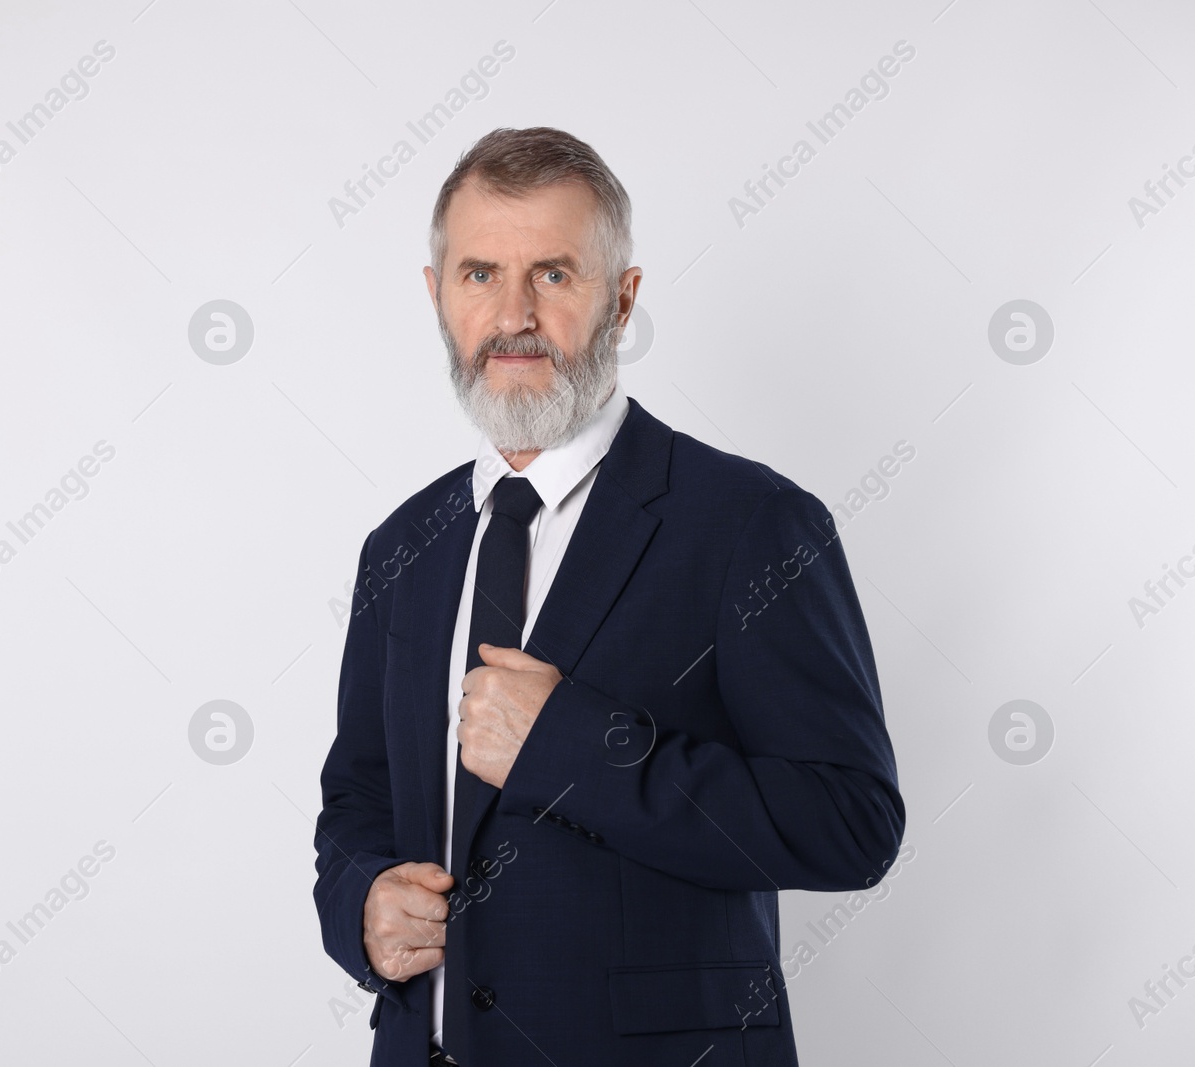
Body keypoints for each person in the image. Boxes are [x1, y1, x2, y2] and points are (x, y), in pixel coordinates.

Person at [313, 126, 904, 1067]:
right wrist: (362, 906)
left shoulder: (753, 523)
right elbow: (357, 798)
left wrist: (570, 747)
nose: (513, 315)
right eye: (478, 276)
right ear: (436, 296)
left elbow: (851, 825)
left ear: (621, 300)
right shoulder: (403, 545)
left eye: (554, 275)